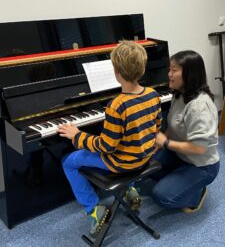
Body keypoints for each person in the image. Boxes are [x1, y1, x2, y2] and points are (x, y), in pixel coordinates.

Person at [57, 40, 162, 237]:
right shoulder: (153, 94)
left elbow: (106, 146)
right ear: (142, 67)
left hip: (121, 163)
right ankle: (131, 192)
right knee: (128, 143)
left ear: (116, 71)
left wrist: (77, 135)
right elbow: (156, 127)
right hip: (143, 157)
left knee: (68, 162)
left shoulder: (117, 105)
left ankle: (94, 210)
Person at [151, 50, 220, 213]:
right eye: (169, 69)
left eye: (174, 70)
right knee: (146, 164)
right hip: (180, 156)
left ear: (189, 74)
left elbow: (199, 148)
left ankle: (196, 194)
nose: (169, 74)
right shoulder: (179, 94)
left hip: (201, 166)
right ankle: (181, 179)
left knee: (161, 196)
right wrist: (158, 145)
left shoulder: (199, 106)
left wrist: (165, 143)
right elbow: (172, 127)